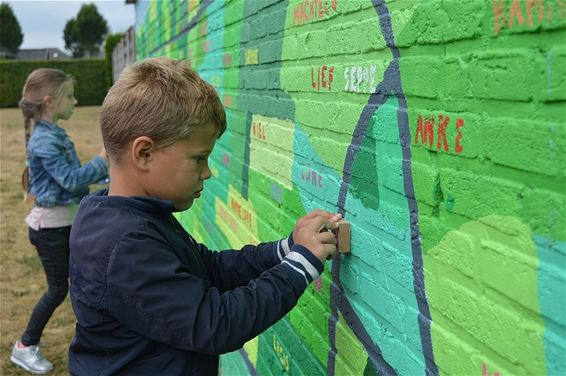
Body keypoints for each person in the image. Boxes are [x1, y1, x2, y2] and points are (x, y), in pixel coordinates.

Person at [67, 57, 340, 376]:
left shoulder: (126, 214)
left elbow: (208, 268)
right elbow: (217, 323)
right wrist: (301, 264)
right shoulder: (124, 245)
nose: (207, 173)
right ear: (144, 153)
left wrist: (285, 248)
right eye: (198, 159)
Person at [10, 68, 108, 374]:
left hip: (63, 224)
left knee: (85, 279)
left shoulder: (54, 134)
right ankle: (25, 346)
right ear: (50, 102)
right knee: (57, 290)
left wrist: (109, 176)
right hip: (49, 230)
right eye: (69, 96)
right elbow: (69, 180)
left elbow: (75, 185)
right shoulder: (44, 142)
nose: (76, 100)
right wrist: (103, 161)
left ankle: (99, 338)